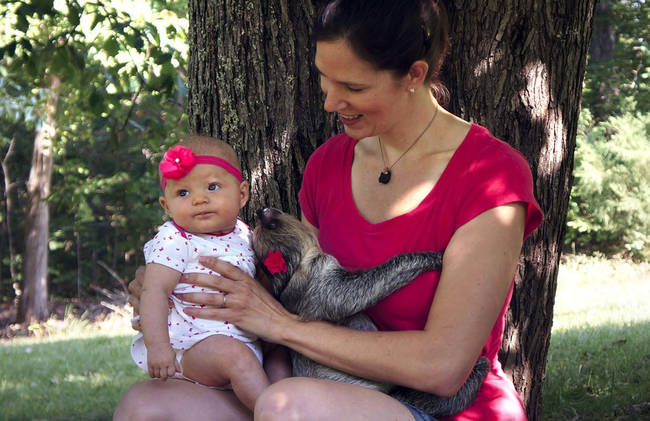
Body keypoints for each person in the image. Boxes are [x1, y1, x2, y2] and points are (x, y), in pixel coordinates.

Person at [115, 0, 543, 420]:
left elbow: (443, 368)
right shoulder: (328, 164)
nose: (330, 102)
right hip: (319, 388)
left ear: (414, 74)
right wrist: (184, 286)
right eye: (325, 79)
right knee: (147, 406)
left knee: (290, 407)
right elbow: (292, 286)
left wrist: (281, 326)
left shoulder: (490, 174)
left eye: (354, 87)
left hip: (439, 406)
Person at [127, 135, 270, 412]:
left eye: (213, 187)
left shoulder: (244, 234)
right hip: (193, 346)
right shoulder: (175, 239)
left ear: (242, 194)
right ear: (166, 206)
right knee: (235, 359)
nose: (200, 200)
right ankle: (273, 413)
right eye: (183, 193)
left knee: (266, 363)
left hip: (245, 344)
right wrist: (158, 347)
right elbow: (154, 291)